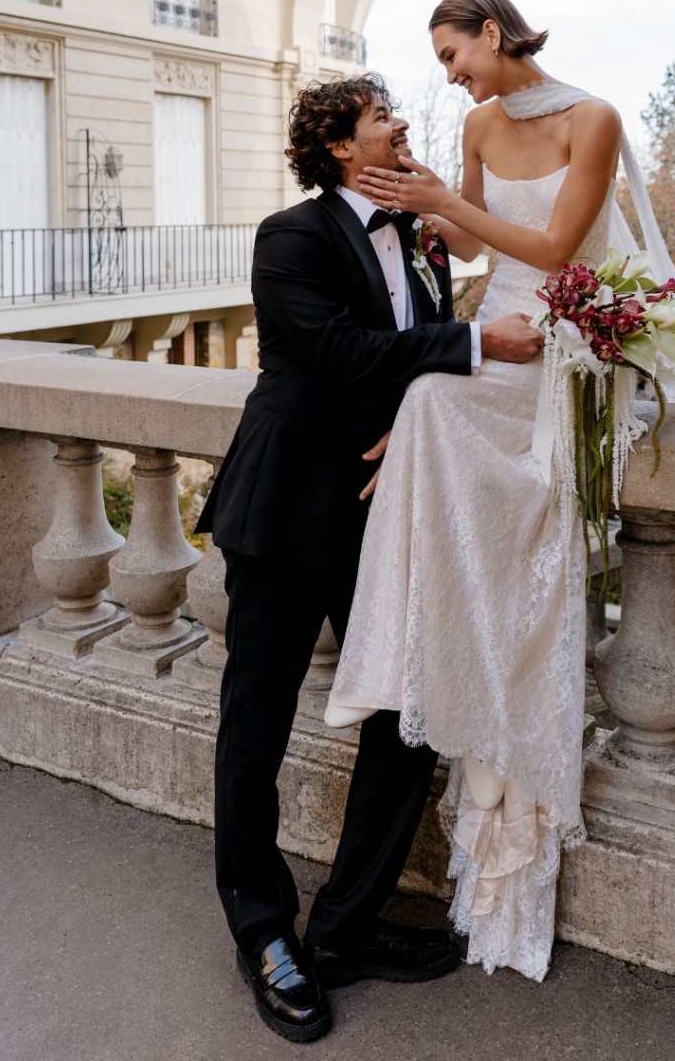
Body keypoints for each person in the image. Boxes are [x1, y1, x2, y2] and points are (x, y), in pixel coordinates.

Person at [196, 72, 543, 1042]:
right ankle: (262, 929)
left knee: (406, 710)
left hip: (380, 516)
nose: (399, 123)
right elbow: (342, 351)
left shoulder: (423, 235)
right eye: (380, 115)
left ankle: (344, 924)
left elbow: (406, 366)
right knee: (253, 728)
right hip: (282, 512)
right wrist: (481, 341)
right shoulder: (290, 236)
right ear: (341, 147)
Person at [324, 0, 628, 983]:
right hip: (489, 336)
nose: (447, 77)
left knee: (433, 418)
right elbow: (463, 243)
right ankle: (408, 632)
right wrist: (415, 201)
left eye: (454, 55)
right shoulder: (478, 123)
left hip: (553, 341)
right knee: (420, 403)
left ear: (495, 34)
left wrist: (446, 205)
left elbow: (551, 248)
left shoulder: (594, 118)